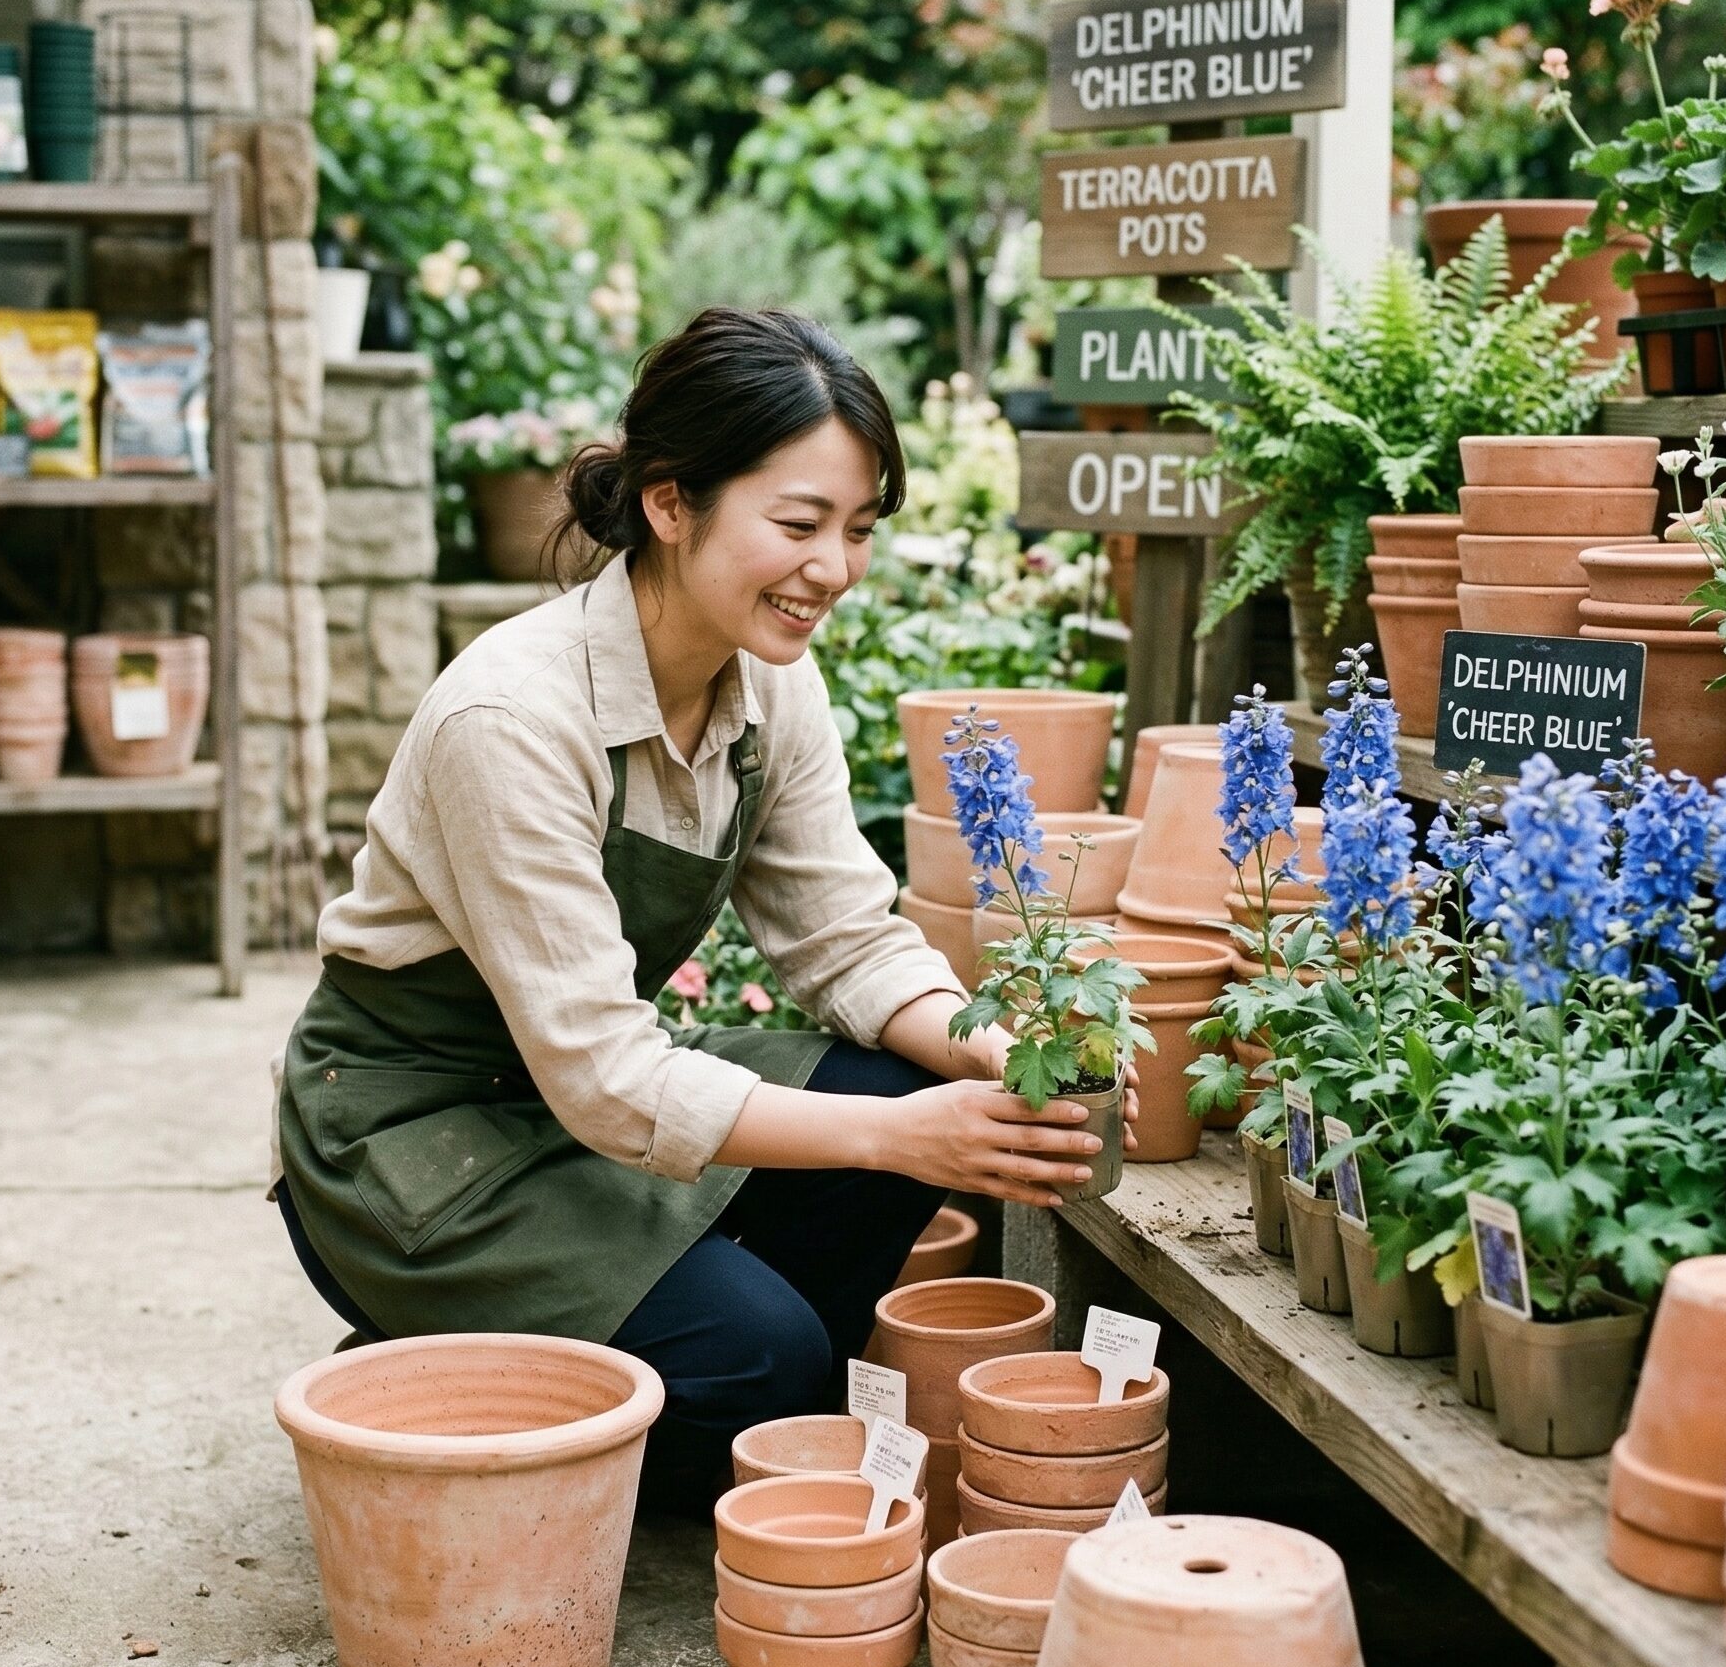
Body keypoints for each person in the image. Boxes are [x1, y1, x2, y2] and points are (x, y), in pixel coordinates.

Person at [273, 307, 1131, 1508]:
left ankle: (622, 1355)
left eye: (856, 529)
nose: (831, 568)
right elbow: (606, 1077)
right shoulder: (511, 720)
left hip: (571, 1105)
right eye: (797, 523)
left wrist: (991, 1051)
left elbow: (845, 937)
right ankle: (483, 1374)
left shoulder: (766, 681)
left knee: (889, 1095)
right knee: (768, 1350)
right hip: (411, 1136)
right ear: (669, 502)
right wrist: (903, 1136)